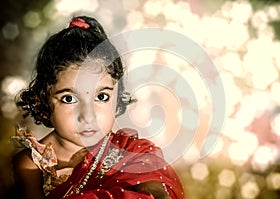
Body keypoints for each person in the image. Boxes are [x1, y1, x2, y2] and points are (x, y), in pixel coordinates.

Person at [11, 16, 184, 199]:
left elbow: (159, 195)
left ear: (116, 98)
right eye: (69, 99)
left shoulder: (132, 154)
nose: (88, 115)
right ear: (42, 100)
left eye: (101, 97)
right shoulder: (31, 164)